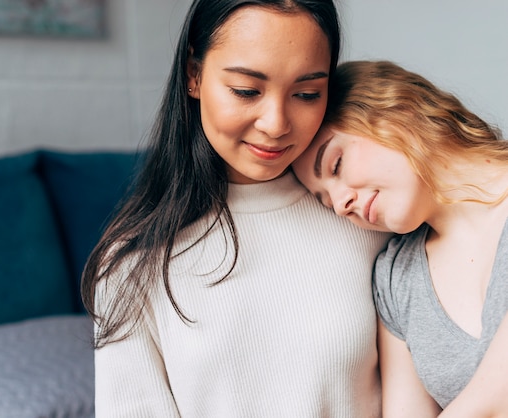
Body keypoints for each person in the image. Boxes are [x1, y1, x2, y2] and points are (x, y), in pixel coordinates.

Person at [81, 2, 391, 416]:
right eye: (247, 90)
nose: (276, 123)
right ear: (193, 75)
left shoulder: (367, 217)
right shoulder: (133, 263)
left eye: (306, 94)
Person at [292, 59, 508, 417]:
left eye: (336, 165)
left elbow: (496, 398)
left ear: (394, 110)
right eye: (326, 201)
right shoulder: (396, 279)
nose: (342, 203)